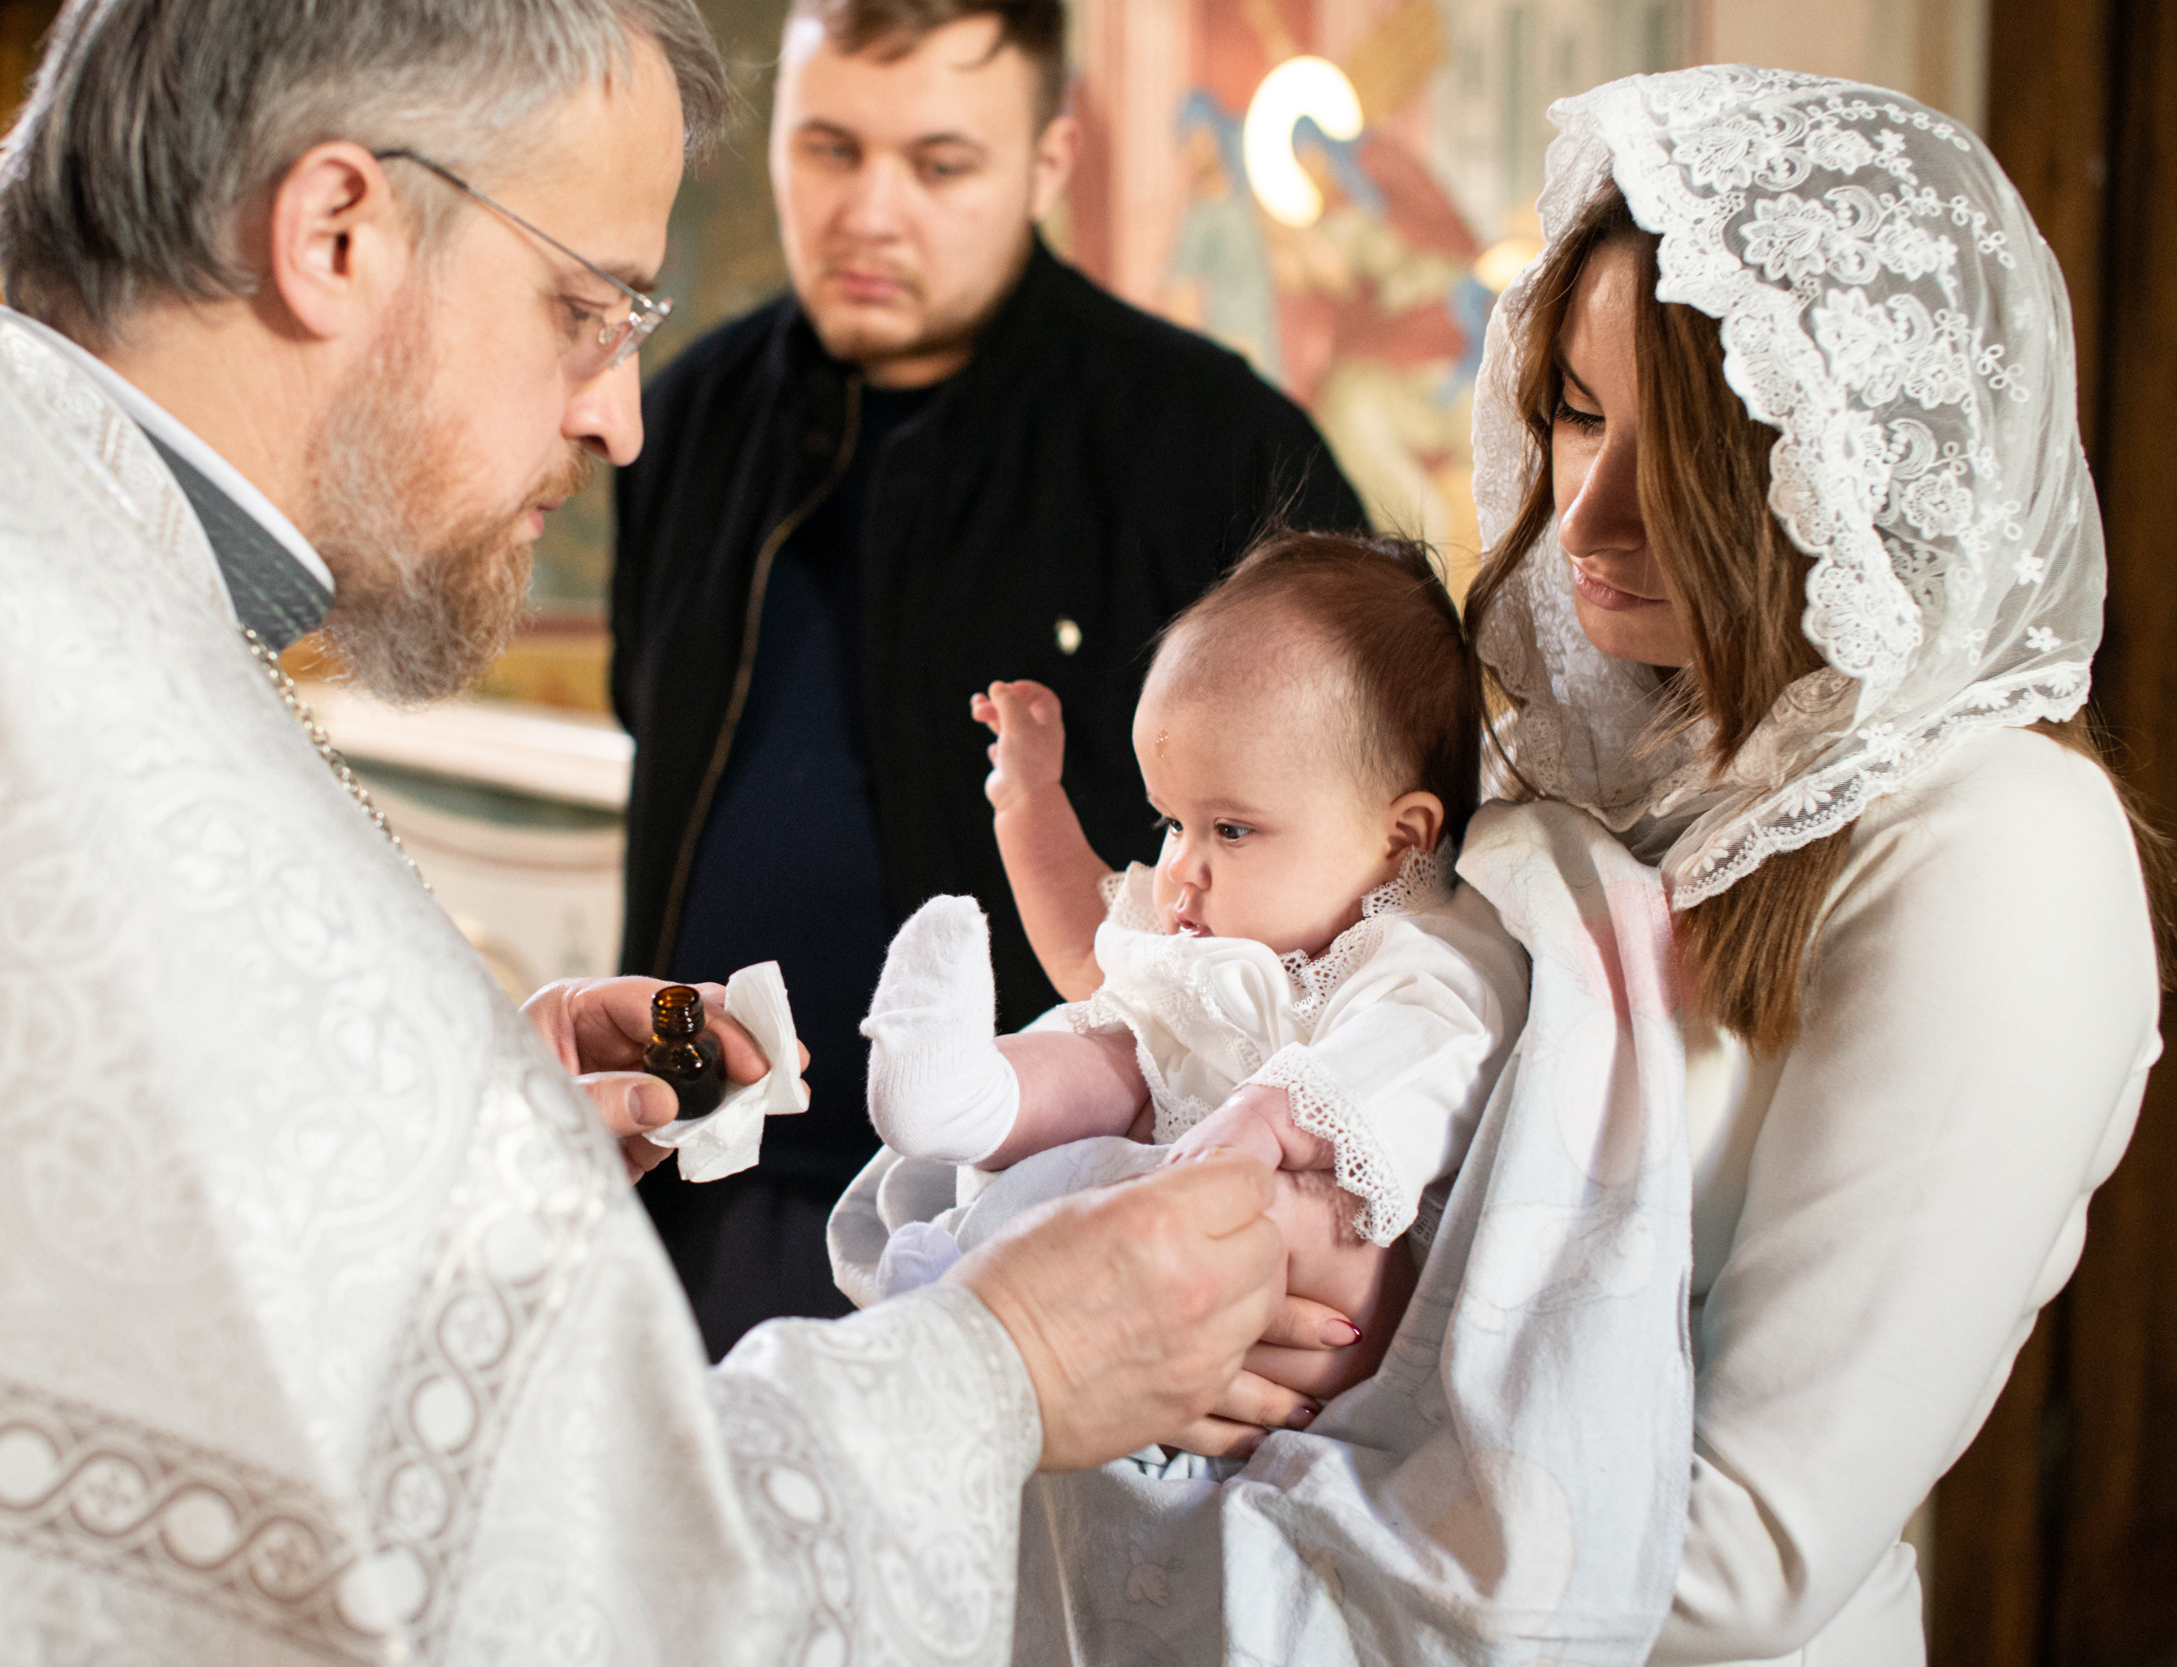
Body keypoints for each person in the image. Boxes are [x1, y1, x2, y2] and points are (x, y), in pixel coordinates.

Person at [0, 3, 1353, 1657]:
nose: (619, 415)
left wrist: (454, 1101)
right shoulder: (62, 675)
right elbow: (568, 1592)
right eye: (580, 307)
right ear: (335, 231)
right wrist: (1010, 1371)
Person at [978, 66, 2160, 1665]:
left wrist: (1310, 1348)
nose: (1585, 517)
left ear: (1846, 465)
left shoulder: (2005, 853)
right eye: (1579, 413)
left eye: (1688, 451)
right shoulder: (1591, 744)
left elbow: (1735, 1564)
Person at [610, 0, 1364, 1354]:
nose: (870, 211)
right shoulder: (681, 420)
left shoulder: (1214, 448)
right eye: (830, 148)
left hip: (1047, 1227)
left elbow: (1374, 865)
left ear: (1048, 163)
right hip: (697, 1194)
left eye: (940, 164)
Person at [860, 533, 1528, 1310]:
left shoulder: (1424, 956)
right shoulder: (1198, 935)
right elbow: (1088, 949)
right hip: (1140, 1177)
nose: (1180, 865)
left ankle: (985, 1282)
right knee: (1114, 1045)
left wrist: (1266, 1121)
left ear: (1400, 838)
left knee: (1292, 1219)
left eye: (1231, 830)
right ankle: (964, 1095)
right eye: (1171, 822)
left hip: (1254, 1234)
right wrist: (1029, 800)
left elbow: (1417, 1057)